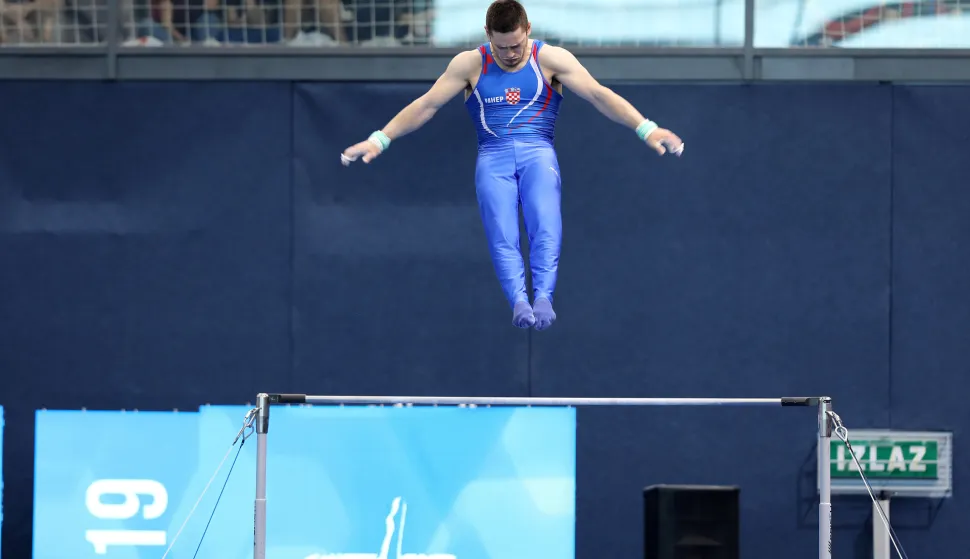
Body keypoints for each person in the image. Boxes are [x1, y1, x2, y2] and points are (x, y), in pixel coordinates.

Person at [341, 0, 684, 331]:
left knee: (544, 221)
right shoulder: (469, 64)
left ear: (528, 30)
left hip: (539, 153)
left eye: (517, 45)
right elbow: (426, 105)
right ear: (487, 33)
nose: (510, 54)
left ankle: (544, 297)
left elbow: (598, 94)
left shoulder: (550, 59)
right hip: (493, 156)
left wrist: (646, 128)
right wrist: (379, 139)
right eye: (502, 47)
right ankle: (519, 300)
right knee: (501, 231)